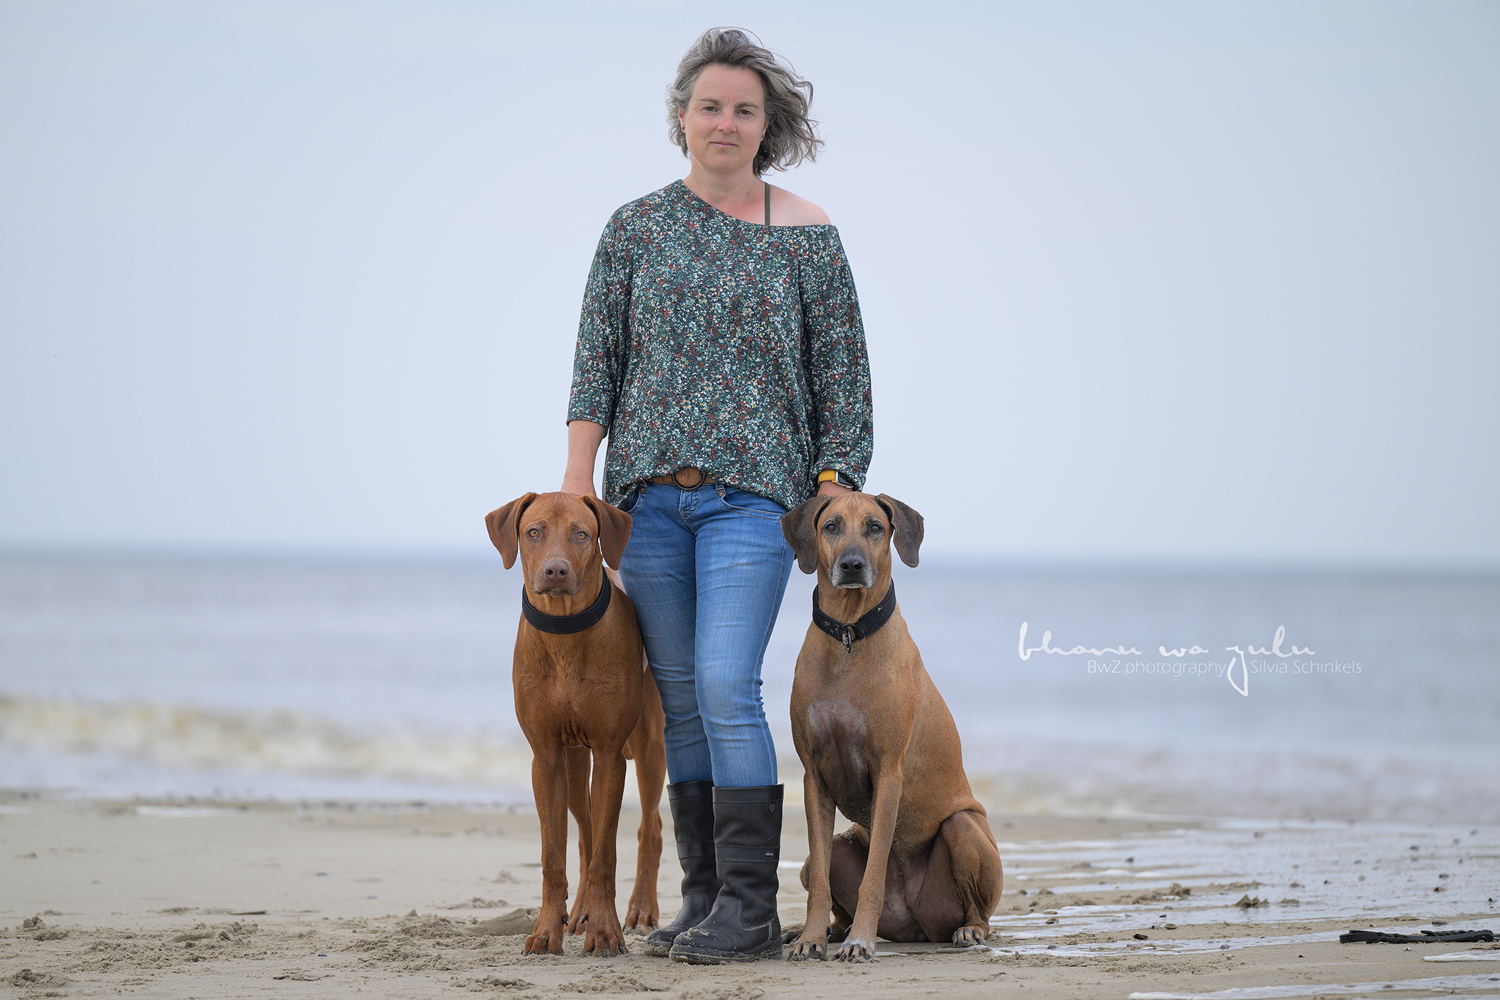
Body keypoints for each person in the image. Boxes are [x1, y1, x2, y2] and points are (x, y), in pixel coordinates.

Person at [561, 27, 873, 964]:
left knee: (727, 684)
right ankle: (705, 901)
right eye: (709, 105)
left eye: (744, 108)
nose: (724, 121)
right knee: (681, 699)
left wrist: (828, 495)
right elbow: (594, 369)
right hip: (647, 503)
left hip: (753, 503)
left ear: (769, 124)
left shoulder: (809, 234)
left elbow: (844, 384)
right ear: (682, 117)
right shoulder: (634, 228)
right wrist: (579, 488)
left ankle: (749, 908)